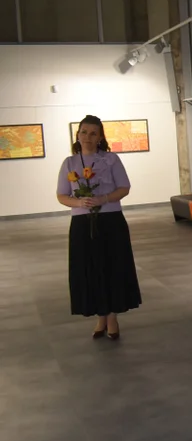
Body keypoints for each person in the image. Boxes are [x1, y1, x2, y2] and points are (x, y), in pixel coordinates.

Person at [56, 115, 141, 340]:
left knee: (112, 267)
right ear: (78, 135)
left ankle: (112, 317)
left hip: (111, 221)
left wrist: (104, 199)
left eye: (93, 133)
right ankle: (100, 315)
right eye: (84, 132)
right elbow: (62, 195)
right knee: (90, 269)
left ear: (100, 137)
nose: (88, 137)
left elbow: (124, 187)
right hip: (82, 224)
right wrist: (79, 202)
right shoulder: (69, 163)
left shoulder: (111, 159)